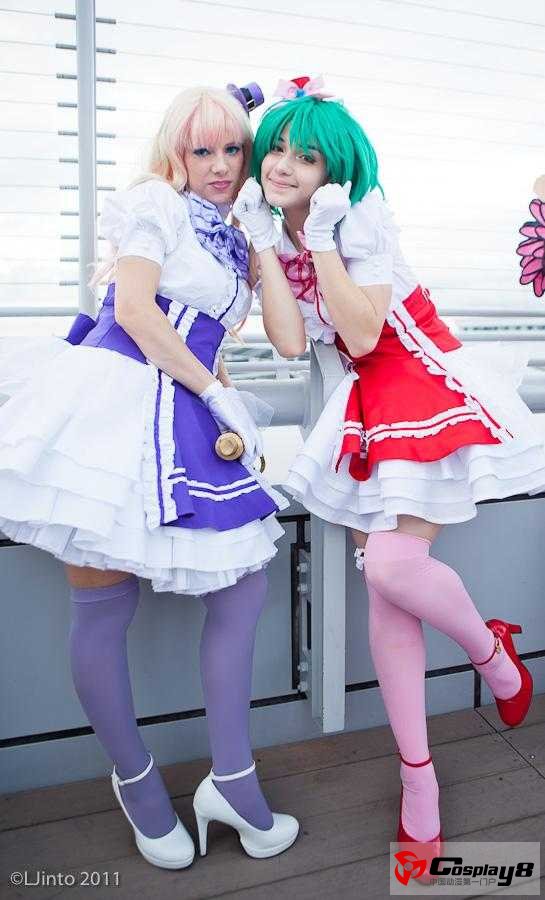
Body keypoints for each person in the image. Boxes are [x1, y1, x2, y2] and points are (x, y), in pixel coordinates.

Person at [233, 74, 542, 879]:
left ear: (333, 169)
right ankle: (418, 777)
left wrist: (320, 241)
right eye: (277, 149)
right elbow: (291, 343)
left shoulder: (357, 214)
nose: (283, 164)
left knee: (392, 568)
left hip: (417, 372)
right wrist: (265, 246)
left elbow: (367, 331)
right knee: (387, 590)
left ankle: (492, 656)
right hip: (362, 395)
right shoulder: (272, 221)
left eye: (305, 156)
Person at [0, 83, 299, 869]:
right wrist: (216, 396)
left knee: (242, 590)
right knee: (104, 606)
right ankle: (134, 781)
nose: (219, 165)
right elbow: (134, 310)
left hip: (185, 407)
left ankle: (230, 779)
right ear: (175, 152)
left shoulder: (233, 234)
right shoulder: (152, 204)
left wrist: (263, 242)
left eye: (233, 149)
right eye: (203, 150)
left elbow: (285, 340)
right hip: (111, 405)